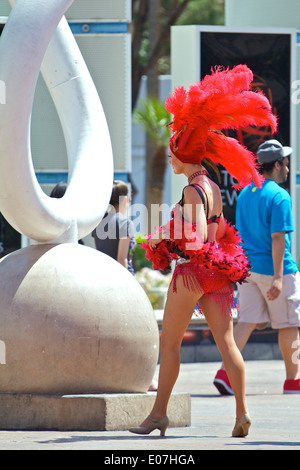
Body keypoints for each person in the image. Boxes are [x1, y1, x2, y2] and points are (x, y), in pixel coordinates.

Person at [129, 65, 277, 438]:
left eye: (173, 154)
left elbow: (193, 239)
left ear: (183, 154)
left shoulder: (192, 191)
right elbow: (222, 231)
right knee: (227, 344)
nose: (170, 159)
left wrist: (163, 240)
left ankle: (159, 413)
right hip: (218, 275)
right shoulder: (210, 186)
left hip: (194, 273)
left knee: (170, 344)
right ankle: (242, 412)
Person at [214, 140, 300, 395]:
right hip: (277, 269)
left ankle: (224, 373)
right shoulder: (279, 196)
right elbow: (277, 239)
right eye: (285, 162)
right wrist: (277, 278)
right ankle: (293, 380)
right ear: (276, 164)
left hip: (248, 269)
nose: (287, 167)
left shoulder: (245, 194)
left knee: (246, 322)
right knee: (289, 325)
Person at [92, 180, 135, 273]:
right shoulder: (125, 223)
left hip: (101, 274)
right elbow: (121, 259)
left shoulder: (97, 221)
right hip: (120, 277)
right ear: (124, 200)